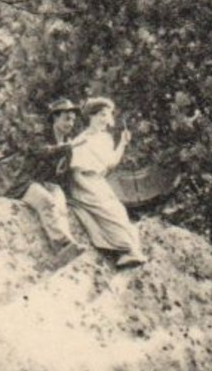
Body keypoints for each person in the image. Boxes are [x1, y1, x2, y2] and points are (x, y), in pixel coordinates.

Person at [63, 97, 147, 268]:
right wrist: (88, 190)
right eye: (101, 115)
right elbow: (75, 171)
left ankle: (129, 251)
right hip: (82, 183)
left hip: (98, 181)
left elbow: (111, 163)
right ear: (91, 117)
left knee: (118, 210)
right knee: (107, 210)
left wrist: (122, 143)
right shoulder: (82, 139)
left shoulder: (106, 138)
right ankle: (126, 249)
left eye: (107, 115)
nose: (104, 119)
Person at [13, 97, 82, 252]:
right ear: (54, 118)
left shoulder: (67, 145)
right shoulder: (40, 137)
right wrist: (64, 147)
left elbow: (63, 173)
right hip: (27, 184)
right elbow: (43, 152)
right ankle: (61, 244)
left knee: (60, 203)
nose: (70, 124)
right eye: (66, 119)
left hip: (48, 185)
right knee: (46, 201)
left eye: (73, 120)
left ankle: (69, 243)